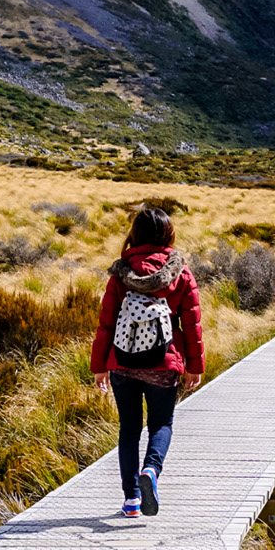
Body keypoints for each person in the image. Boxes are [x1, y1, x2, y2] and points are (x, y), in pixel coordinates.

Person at [90, 207, 203, 518]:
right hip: (164, 364)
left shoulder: (121, 273)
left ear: (135, 235)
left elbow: (106, 323)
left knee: (129, 429)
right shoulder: (181, 272)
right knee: (161, 423)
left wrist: (100, 365)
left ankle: (131, 500)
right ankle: (151, 471)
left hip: (122, 363)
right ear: (168, 234)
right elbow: (192, 324)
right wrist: (195, 365)